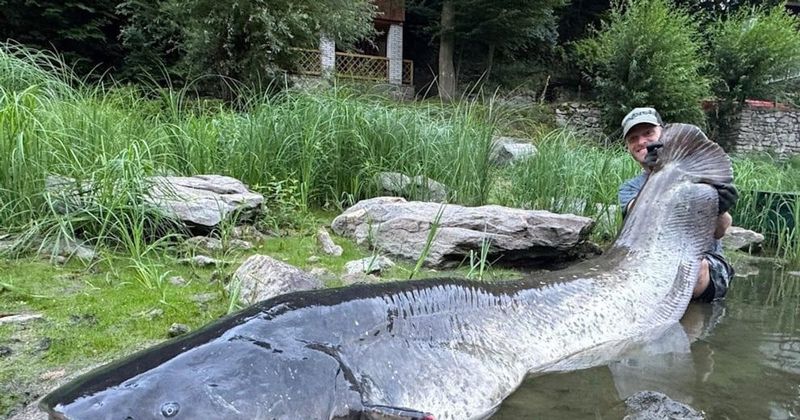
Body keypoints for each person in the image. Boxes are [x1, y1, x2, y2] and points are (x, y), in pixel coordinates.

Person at [618, 107, 736, 302]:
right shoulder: (629, 189)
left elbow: (720, 230)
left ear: (662, 133)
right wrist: (656, 174)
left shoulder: (697, 175)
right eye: (633, 138)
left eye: (648, 133)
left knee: (691, 270)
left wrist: (720, 208)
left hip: (703, 263)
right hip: (650, 263)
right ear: (628, 147)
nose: (641, 142)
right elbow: (638, 216)